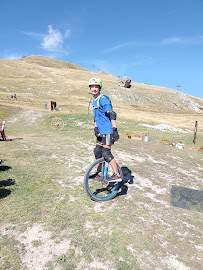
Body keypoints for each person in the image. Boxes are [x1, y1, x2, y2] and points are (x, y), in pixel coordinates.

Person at [89, 77, 121, 182]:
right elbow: (96, 117)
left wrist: (115, 130)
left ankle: (117, 174)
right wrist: (96, 128)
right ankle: (99, 173)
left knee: (106, 153)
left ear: (99, 88)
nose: (94, 89)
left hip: (108, 131)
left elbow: (112, 114)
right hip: (101, 131)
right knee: (98, 152)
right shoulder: (94, 100)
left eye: (96, 87)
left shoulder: (103, 99)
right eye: (92, 87)